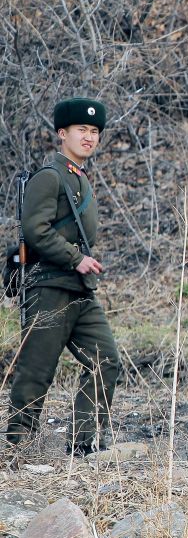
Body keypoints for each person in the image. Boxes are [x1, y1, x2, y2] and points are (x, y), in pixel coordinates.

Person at [5, 98, 120, 456]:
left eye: (94, 131)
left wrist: (80, 266)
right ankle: (18, 446)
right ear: (62, 133)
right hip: (49, 284)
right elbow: (34, 229)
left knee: (106, 359)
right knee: (36, 370)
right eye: (82, 130)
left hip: (78, 288)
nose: (89, 137)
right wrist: (76, 258)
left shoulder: (79, 178)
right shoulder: (50, 177)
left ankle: (83, 442)